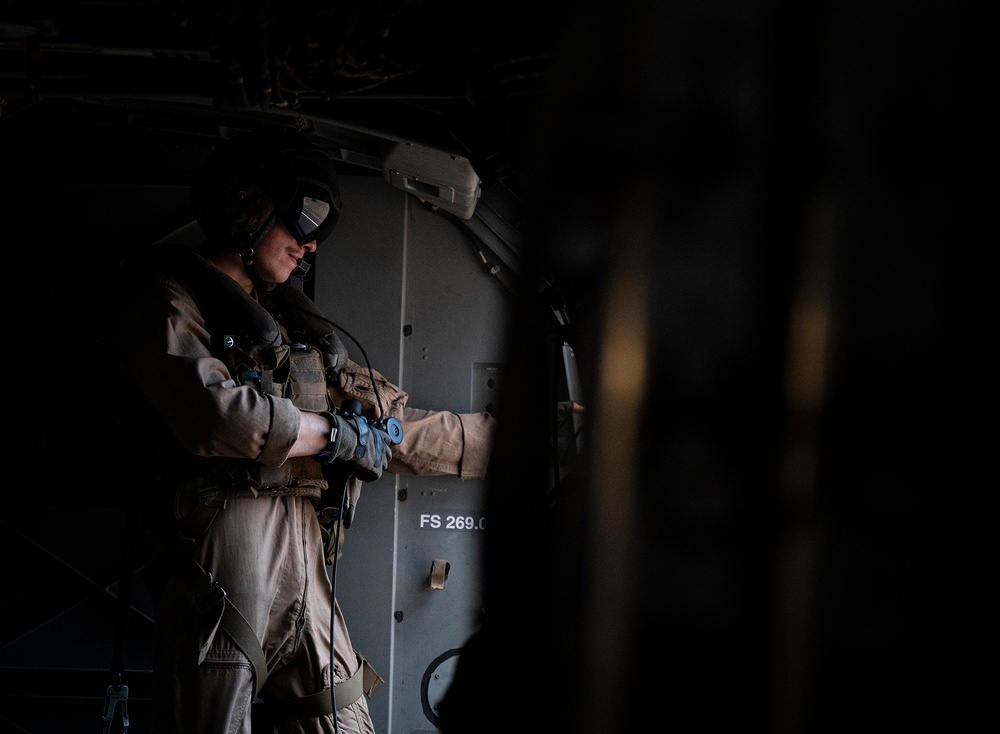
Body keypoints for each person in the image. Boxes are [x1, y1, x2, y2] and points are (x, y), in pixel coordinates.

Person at [106, 127, 496, 734]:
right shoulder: (165, 302)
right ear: (249, 212)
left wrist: (541, 437)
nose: (310, 248)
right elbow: (218, 417)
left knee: (343, 718)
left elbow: (394, 430)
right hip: (223, 542)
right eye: (303, 221)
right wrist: (330, 435)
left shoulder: (291, 331)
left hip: (303, 542)